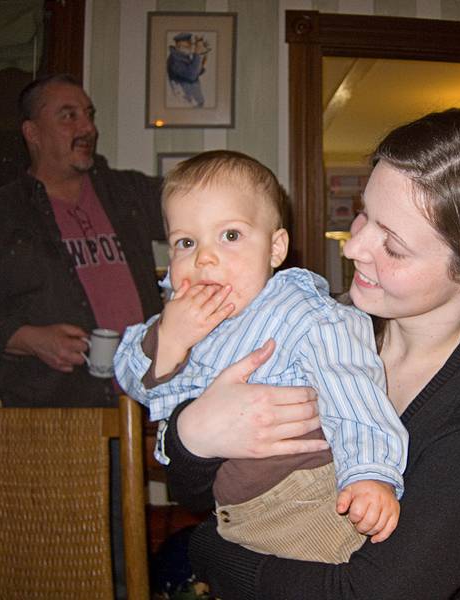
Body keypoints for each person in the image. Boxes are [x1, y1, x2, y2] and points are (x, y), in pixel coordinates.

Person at [159, 109, 460, 599]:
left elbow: (369, 592)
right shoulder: (323, 325)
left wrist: (206, 550)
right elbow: (199, 490)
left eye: (392, 244)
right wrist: (192, 431)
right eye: (363, 214)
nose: (353, 248)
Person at [113, 150, 407, 563]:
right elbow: (128, 375)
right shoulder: (184, 322)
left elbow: (356, 395)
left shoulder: (304, 314)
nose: (204, 257)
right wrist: (168, 337)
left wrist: (370, 475)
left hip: (306, 505)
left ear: (275, 247)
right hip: (237, 518)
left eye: (230, 235)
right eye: (185, 242)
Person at [0, 73, 164, 408]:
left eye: (89, 115)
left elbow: (199, 204)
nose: (88, 128)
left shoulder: (127, 193)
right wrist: (30, 339)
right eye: (69, 116)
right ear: (32, 133)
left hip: (151, 400)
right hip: (58, 411)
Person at [167, 32, 210, 107]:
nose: (190, 48)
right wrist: (197, 54)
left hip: (194, 102)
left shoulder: (183, 57)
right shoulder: (175, 60)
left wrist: (204, 55)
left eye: (190, 45)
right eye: (186, 46)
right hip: (186, 102)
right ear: (178, 46)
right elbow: (192, 75)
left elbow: (197, 72)